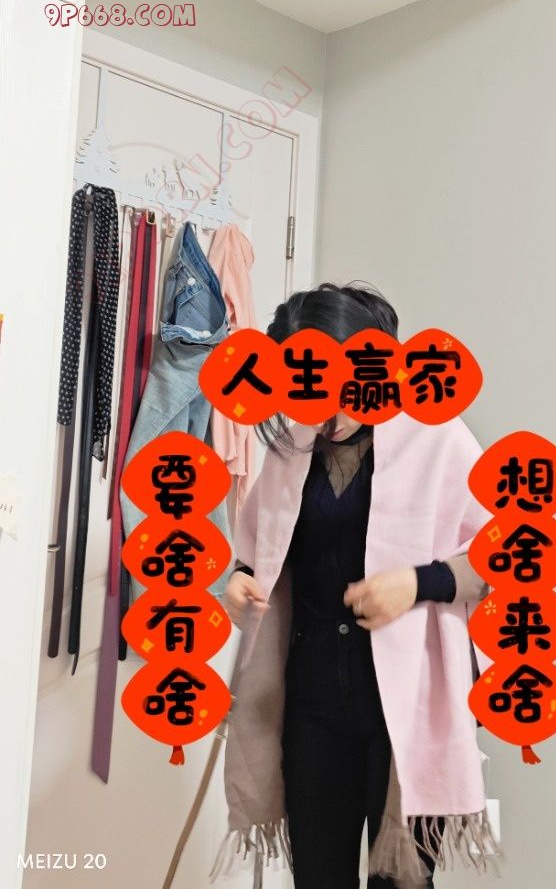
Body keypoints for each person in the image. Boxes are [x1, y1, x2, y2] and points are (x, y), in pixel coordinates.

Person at [213, 282, 499, 889]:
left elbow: (502, 554)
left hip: (407, 702)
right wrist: (240, 580)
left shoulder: (437, 435)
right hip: (311, 699)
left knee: (401, 879)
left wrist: (418, 583)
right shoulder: (292, 446)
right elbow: (259, 548)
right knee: (318, 876)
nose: (316, 410)